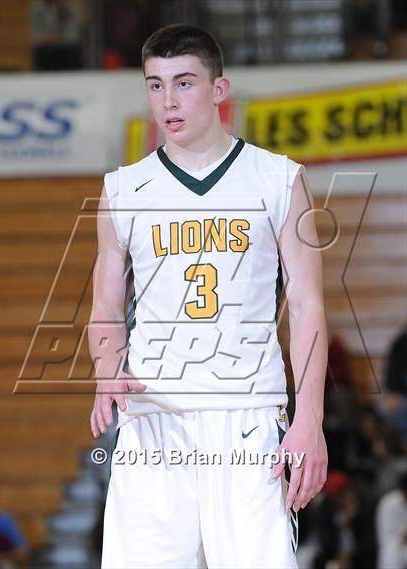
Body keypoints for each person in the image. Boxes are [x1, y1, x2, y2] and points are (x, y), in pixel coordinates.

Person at [88, 23, 328, 569]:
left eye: (184, 83)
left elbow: (309, 307)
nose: (168, 101)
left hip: (245, 416)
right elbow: (104, 306)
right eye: (155, 85)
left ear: (220, 90)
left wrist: (309, 419)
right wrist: (106, 367)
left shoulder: (278, 179)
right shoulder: (123, 190)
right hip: (154, 417)